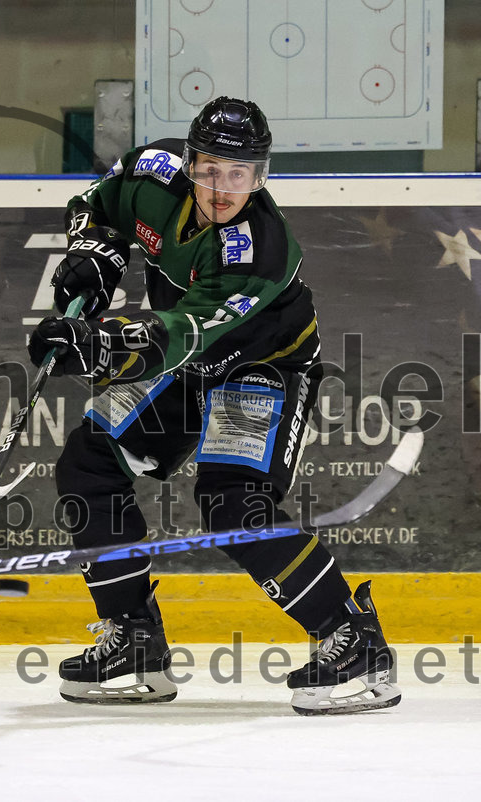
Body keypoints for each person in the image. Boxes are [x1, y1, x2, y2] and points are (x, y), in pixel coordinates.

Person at [27, 97, 400, 715]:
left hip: (262, 369)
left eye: (239, 174)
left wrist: (101, 347)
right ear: (188, 162)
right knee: (88, 466)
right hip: (186, 369)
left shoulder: (261, 250)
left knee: (234, 504)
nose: (222, 189)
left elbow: (180, 333)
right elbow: (95, 207)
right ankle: (135, 643)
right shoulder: (151, 174)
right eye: (209, 170)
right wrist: (93, 259)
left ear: (261, 176)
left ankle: (353, 640)